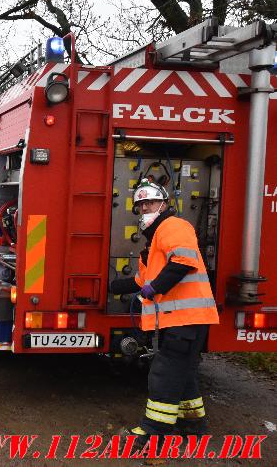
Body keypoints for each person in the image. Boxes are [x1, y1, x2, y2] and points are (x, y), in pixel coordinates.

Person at [109, 178, 219, 448]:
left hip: (187, 319)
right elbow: (140, 282)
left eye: (151, 202)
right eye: (141, 204)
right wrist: (111, 287)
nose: (146, 207)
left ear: (165, 204)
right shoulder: (154, 241)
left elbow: (182, 261)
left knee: (164, 374)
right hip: (183, 320)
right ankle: (193, 425)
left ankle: (153, 432)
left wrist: (155, 287)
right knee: (183, 373)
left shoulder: (174, 226)